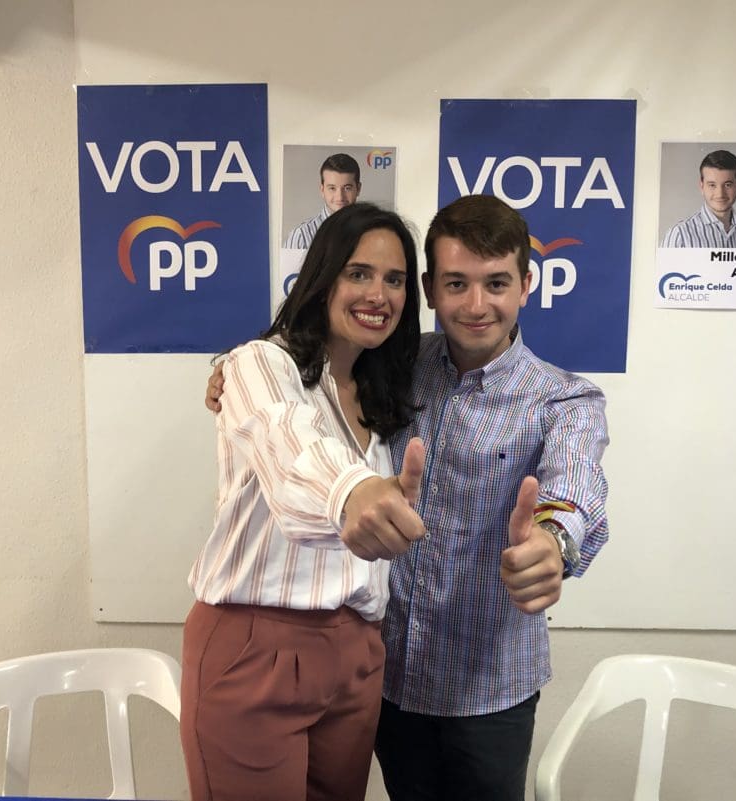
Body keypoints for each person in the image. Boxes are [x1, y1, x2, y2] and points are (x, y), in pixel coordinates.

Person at [207, 195, 610, 801]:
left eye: (497, 283)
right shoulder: (393, 365)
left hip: (490, 688)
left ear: (526, 285)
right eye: (457, 284)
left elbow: (576, 482)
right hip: (389, 677)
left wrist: (553, 540)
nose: (477, 305)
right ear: (430, 289)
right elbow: (293, 396)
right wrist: (229, 371)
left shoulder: (564, 399)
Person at [181, 202, 428, 801]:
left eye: (395, 279)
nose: (378, 295)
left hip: (358, 653)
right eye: (358, 273)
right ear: (321, 279)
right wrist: (351, 493)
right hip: (255, 646)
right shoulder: (258, 363)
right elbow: (285, 442)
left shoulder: (384, 390)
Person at [662, 149, 736, 248]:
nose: (720, 194)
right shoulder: (680, 234)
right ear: (702, 187)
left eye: (727, 185)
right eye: (712, 185)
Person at [284, 153, 362, 249]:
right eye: (332, 188)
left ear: (358, 189)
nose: (340, 197)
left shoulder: (371, 233)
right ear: (322, 190)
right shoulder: (301, 236)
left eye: (347, 188)